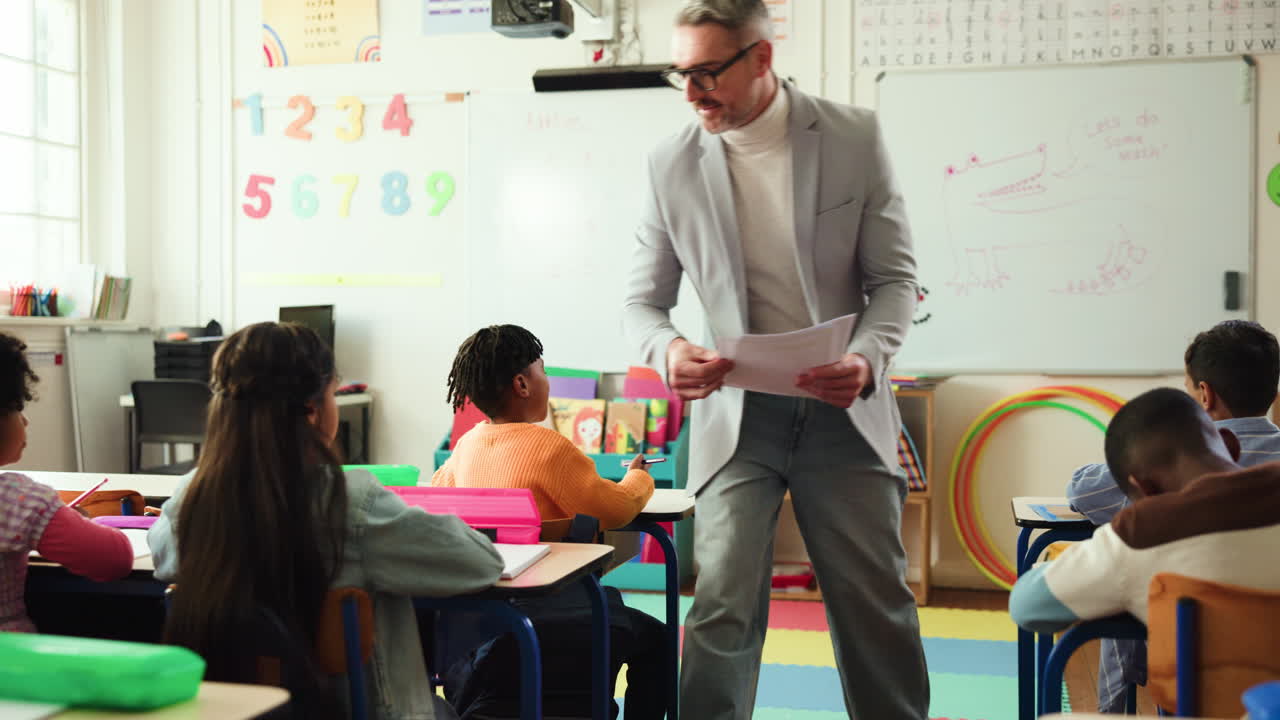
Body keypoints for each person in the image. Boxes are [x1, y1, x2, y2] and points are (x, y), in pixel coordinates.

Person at [621, 1, 928, 717]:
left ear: (761, 58)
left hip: (843, 412)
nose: (692, 91)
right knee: (720, 606)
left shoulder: (852, 136)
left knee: (874, 607)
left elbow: (894, 284)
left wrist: (866, 359)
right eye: (681, 73)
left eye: (707, 72)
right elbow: (642, 304)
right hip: (736, 419)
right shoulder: (671, 164)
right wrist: (668, 352)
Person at [149, 322, 503, 720]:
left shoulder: (188, 501)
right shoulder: (353, 503)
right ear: (315, 411)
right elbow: (482, 563)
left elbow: (164, 561)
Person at [433, 324, 664, 720]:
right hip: (557, 607)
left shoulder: (467, 445)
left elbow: (441, 494)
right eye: (543, 371)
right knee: (658, 640)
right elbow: (617, 507)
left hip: (485, 616)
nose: (548, 381)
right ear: (522, 384)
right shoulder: (549, 447)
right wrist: (639, 476)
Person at [1065, 319, 1280, 712]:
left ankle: (1114, 708)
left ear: (1204, 395)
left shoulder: (1168, 462)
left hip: (1180, 658)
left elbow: (1083, 492)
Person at [1011, 387, 1280, 634]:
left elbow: (1026, 607)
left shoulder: (1140, 535)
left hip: (1214, 687)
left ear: (1145, 489)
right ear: (1230, 445)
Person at [0, 331, 133, 633]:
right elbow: (115, 559)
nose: (25, 421)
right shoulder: (19, 500)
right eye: (18, 408)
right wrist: (66, 517)